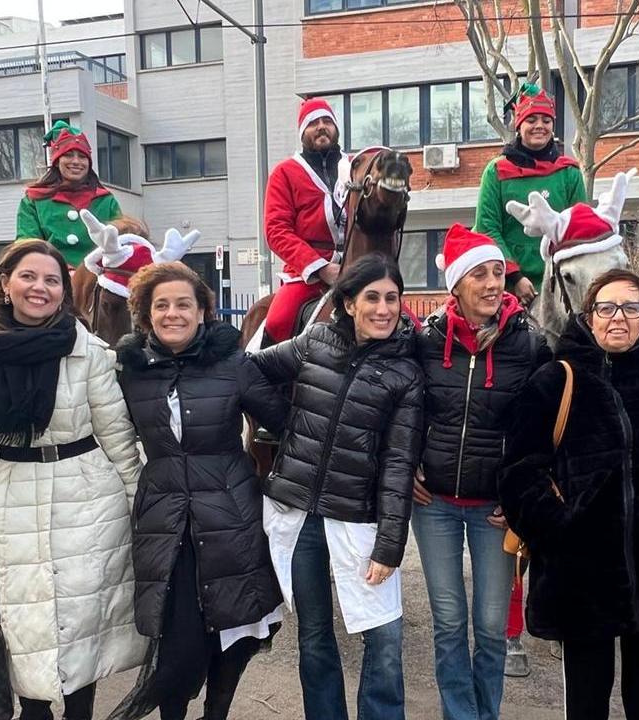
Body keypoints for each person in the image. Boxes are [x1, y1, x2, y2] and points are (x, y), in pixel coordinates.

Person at [0, 239, 145, 720]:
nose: (40, 287)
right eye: (29, 276)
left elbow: (116, 433)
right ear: (5, 282)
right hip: (12, 496)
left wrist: (139, 502)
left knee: (83, 628)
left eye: (52, 280)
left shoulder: (87, 350)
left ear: (64, 291)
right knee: (26, 628)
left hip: (89, 501)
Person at [498, 265, 639, 719]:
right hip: (582, 573)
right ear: (588, 317)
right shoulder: (556, 380)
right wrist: (561, 529)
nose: (618, 317)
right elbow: (518, 471)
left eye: (631, 307)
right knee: (586, 704)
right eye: (606, 307)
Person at [110, 262, 288, 720]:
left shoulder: (232, 365)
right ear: (146, 315)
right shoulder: (129, 371)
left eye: (183, 304)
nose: (173, 313)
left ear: (204, 311)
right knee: (179, 638)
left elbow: (285, 423)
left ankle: (216, 714)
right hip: (165, 520)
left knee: (232, 629)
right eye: (161, 305)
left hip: (230, 513)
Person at [252, 254, 424, 720]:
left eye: (392, 298)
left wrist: (389, 546)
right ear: (348, 303)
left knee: (384, 635)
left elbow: (398, 464)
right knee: (314, 637)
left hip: (358, 517)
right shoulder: (316, 342)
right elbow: (252, 371)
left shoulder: (406, 373)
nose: (384, 308)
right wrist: (288, 426)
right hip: (298, 514)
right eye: (372, 298)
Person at [411, 225, 550, 720]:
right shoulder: (424, 342)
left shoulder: (529, 345)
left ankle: (483, 714)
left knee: (491, 628)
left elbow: (543, 433)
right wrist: (406, 469)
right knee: (448, 622)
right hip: (435, 509)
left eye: (498, 273)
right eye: (480, 274)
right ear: (455, 285)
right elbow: (404, 413)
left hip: (497, 513)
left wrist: (521, 499)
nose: (494, 283)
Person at [473, 83, 587, 305]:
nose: (540, 126)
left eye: (546, 120)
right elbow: (488, 228)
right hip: (506, 287)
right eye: (531, 120)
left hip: (560, 287)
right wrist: (514, 277)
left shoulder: (569, 172)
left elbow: (579, 231)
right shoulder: (496, 171)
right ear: (518, 124)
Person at [262, 97, 348, 343]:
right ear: (303, 133)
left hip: (357, 269)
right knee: (278, 321)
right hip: (305, 274)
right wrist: (321, 268)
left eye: (327, 121)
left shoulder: (354, 167)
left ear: (336, 129)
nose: (321, 126)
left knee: (410, 323)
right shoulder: (284, 173)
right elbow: (276, 230)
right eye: (313, 123)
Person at [16, 120, 123, 268]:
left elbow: (120, 243)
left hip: (99, 280)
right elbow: (26, 246)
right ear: (57, 161)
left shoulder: (106, 200)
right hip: (50, 277)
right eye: (68, 155)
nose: (76, 161)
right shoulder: (34, 200)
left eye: (82, 156)